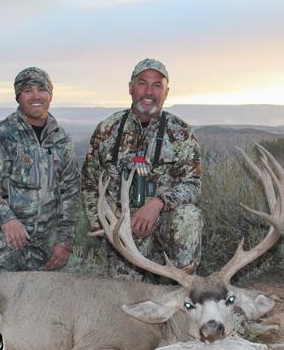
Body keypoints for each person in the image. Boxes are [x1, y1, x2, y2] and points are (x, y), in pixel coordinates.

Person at [81, 58, 202, 281]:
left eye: (157, 85)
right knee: (127, 298)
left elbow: (193, 185)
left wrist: (158, 203)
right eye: (142, 83)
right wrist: (102, 226)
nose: (149, 92)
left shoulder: (181, 133)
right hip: (124, 226)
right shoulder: (108, 130)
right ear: (130, 87)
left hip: (165, 220)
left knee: (189, 216)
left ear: (166, 91)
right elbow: (90, 182)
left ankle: (180, 289)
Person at [0, 67, 80, 271]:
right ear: (18, 97)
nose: (36, 96)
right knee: (9, 257)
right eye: (28, 91)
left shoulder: (62, 139)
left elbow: (71, 192)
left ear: (50, 94)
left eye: (41, 89)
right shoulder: (1, 135)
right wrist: (8, 219)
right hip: (6, 226)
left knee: (71, 279)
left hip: (47, 233)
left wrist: (65, 241)